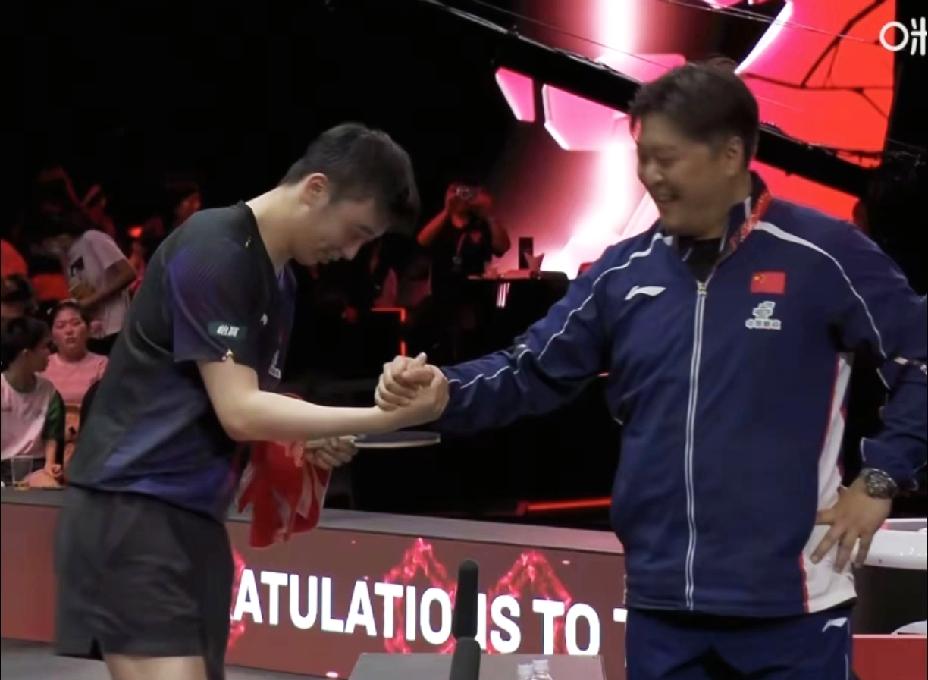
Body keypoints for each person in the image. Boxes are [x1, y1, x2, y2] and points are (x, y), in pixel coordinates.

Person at [378, 65, 927, 679]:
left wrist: (881, 478)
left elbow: (921, 358)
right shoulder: (622, 272)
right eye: (643, 158)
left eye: (667, 159)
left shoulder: (824, 254)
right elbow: (529, 370)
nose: (650, 176)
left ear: (731, 154)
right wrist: (446, 391)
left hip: (792, 607)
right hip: (660, 611)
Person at [53, 122, 447, 680]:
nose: (351, 252)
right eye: (356, 232)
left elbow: (243, 403)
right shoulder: (214, 248)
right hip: (132, 505)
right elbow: (239, 411)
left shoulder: (280, 282)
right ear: (315, 189)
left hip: (194, 519)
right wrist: (387, 417)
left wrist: (310, 434)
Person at [36, 207, 136, 355]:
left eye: (47, 243)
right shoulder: (67, 256)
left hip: (117, 325)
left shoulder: (92, 238)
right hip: (95, 330)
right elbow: (75, 289)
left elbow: (128, 273)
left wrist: (92, 300)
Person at [41, 300, 108, 465]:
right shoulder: (42, 365)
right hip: (48, 441)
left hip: (90, 441)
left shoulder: (103, 364)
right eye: (61, 326)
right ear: (52, 336)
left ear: (88, 329)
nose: (69, 331)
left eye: (76, 323)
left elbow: (106, 410)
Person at [1, 316, 64, 485]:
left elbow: (52, 434)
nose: (49, 352)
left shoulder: (48, 390)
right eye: (44, 346)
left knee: (49, 486)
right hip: (3, 465)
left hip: (36, 467)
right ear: (26, 355)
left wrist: (50, 465)